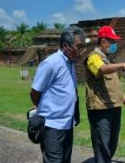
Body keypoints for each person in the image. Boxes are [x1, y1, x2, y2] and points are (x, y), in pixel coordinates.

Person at [29, 26, 86, 163]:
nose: (82, 51)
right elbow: (35, 93)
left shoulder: (70, 63)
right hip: (52, 126)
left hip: (67, 124)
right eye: (79, 47)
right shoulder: (51, 63)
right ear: (65, 46)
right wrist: (47, 110)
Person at [84, 25, 125, 163]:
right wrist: (123, 65)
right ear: (103, 41)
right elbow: (102, 70)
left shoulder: (109, 60)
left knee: (112, 142)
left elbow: (113, 84)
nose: (114, 44)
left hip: (114, 106)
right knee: (102, 144)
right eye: (112, 41)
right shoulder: (93, 58)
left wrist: (124, 99)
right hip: (100, 109)